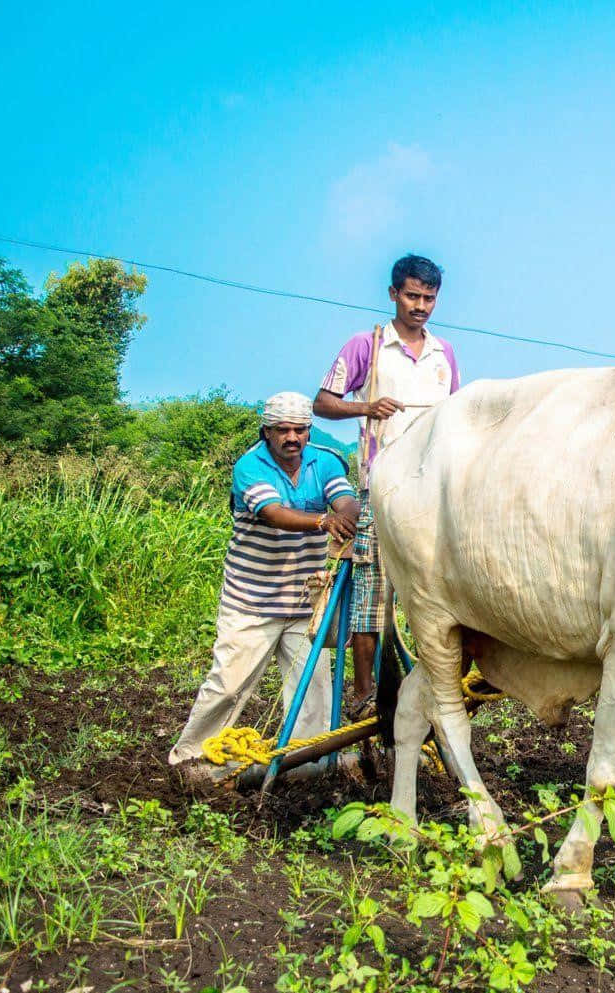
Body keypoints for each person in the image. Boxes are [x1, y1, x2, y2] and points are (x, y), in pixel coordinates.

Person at [169, 392, 360, 791]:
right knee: (229, 683)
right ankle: (190, 761)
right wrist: (324, 521)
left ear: (309, 431)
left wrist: (345, 513)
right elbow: (274, 514)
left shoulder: (325, 460)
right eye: (283, 430)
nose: (292, 438)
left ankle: (306, 762)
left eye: (299, 430)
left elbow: (345, 499)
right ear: (267, 432)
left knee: (314, 688)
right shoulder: (250, 466)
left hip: (305, 600)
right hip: (251, 599)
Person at [314, 255, 460, 714]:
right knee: (372, 590)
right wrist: (367, 407)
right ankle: (364, 692)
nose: (421, 306)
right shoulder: (368, 345)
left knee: (445, 588)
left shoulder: (443, 353)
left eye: (429, 298)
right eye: (413, 296)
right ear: (394, 293)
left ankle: (440, 682)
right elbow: (322, 402)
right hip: (383, 487)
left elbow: (458, 417)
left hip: (434, 488)